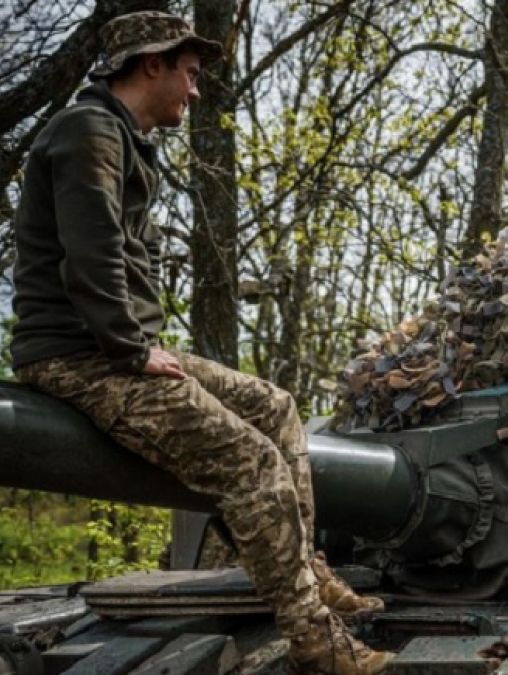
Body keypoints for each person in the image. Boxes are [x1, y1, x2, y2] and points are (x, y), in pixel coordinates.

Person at [8, 12, 389, 674]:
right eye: (190, 73)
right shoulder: (88, 133)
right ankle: (315, 639)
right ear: (151, 63)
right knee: (252, 462)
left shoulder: (118, 137)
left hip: (111, 348)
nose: (196, 90)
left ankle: (304, 567)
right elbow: (89, 255)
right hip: (81, 357)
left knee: (275, 405)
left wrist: (136, 345)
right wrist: (131, 348)